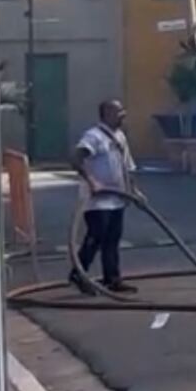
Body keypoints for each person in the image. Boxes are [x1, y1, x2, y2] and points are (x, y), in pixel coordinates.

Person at [70, 99, 140, 294]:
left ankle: (113, 279)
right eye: (118, 112)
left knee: (112, 240)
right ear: (107, 114)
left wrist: (133, 190)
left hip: (117, 199)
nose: (123, 115)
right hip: (97, 202)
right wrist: (92, 182)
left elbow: (128, 166)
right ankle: (78, 273)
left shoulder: (120, 137)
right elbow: (76, 158)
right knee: (95, 238)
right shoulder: (93, 137)